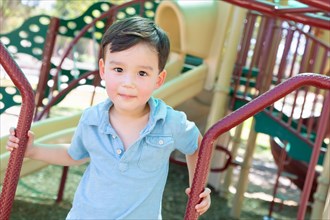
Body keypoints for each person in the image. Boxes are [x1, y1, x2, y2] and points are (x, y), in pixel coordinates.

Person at [6, 16, 211, 219]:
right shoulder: (92, 118)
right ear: (104, 70)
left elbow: (197, 147)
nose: (128, 82)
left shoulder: (170, 122)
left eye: (142, 73)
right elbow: (73, 154)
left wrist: (198, 188)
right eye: (119, 70)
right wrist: (33, 150)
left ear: (159, 79)